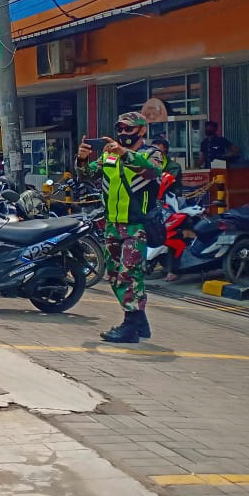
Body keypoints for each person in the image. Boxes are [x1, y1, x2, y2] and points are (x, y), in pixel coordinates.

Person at [76, 112, 165, 343]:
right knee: (114, 275)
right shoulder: (109, 155)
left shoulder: (151, 154)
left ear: (142, 130)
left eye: (129, 129)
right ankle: (140, 322)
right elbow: (87, 176)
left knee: (130, 274)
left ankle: (130, 327)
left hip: (137, 225)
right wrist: (83, 159)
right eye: (121, 129)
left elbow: (152, 171)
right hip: (112, 225)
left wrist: (125, 153)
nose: (124, 133)